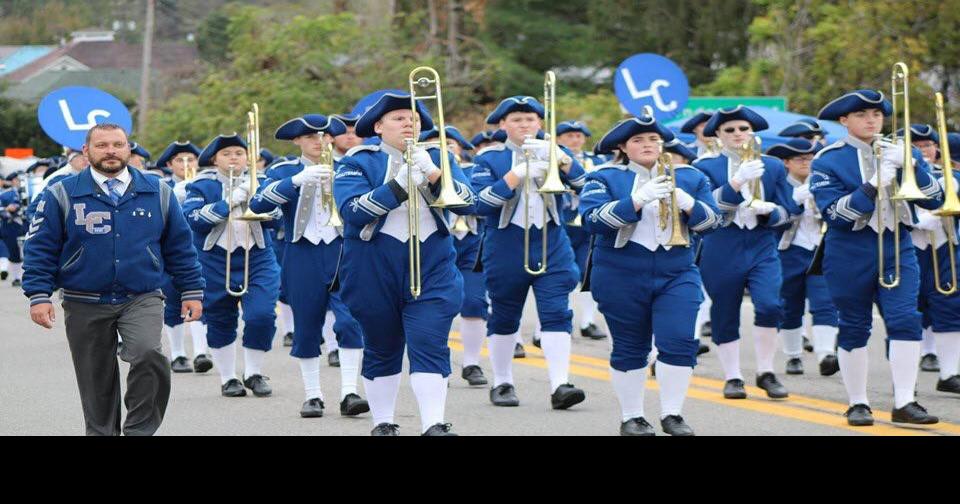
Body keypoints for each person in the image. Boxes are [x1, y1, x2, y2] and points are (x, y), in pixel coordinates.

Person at [22, 123, 204, 436]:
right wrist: (39, 295)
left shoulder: (157, 191)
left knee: (149, 354)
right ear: (86, 151)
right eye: (103, 145)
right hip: (84, 300)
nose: (111, 151)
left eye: (118, 144)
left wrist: (191, 289)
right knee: (96, 379)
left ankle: (139, 430)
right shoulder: (61, 194)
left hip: (141, 295)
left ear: (128, 148)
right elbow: (40, 247)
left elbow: (179, 245)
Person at [334, 91, 477, 436]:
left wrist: (435, 175)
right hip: (373, 266)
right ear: (379, 126)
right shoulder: (358, 161)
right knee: (382, 346)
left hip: (433, 264)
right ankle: (383, 422)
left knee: (430, 341)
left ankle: (433, 423)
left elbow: (468, 203)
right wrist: (397, 186)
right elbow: (351, 211)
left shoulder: (440, 157)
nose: (409, 124)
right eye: (399, 118)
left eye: (413, 119)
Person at [580, 114, 720, 435]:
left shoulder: (690, 177)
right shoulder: (603, 177)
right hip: (620, 272)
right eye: (638, 140)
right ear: (623, 147)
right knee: (631, 345)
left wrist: (686, 202)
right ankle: (632, 416)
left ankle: (673, 413)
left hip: (677, 270)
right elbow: (592, 220)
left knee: (681, 340)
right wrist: (637, 199)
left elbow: (712, 223)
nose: (648, 145)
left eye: (653, 140)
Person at [810, 89, 944, 425]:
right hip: (849, 250)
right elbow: (835, 215)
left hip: (897, 244)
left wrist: (913, 165)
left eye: (876, 115)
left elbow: (935, 199)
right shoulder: (828, 158)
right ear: (844, 121)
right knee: (855, 324)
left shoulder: (902, 150)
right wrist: (872, 184)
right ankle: (858, 402)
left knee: (905, 319)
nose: (871, 121)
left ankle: (905, 400)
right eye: (861, 115)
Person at [472, 95, 588, 410]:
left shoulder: (556, 152)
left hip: (552, 240)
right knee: (505, 313)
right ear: (502, 125)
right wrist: (518, 173)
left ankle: (560, 383)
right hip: (506, 241)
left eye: (530, 119)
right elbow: (478, 203)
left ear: (540, 123)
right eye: (517, 120)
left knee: (556, 312)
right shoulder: (489, 158)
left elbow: (584, 187)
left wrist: (561, 160)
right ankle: (503, 381)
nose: (525, 125)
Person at [251, 113, 370, 418]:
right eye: (309, 138)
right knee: (306, 325)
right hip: (302, 252)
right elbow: (257, 204)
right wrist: (294, 182)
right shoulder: (285, 171)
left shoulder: (350, 167)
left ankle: (349, 391)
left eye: (323, 136)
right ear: (297, 142)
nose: (318, 142)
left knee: (349, 321)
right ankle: (313, 394)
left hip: (344, 249)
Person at [693, 106, 802, 400]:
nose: (737, 134)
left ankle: (766, 371)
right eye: (729, 130)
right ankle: (733, 376)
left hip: (761, 243)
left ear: (752, 132)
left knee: (769, 304)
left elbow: (790, 211)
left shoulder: (774, 166)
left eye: (743, 129)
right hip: (721, 243)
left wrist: (771, 210)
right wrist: (736, 182)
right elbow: (705, 209)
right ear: (718, 135)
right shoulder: (706, 167)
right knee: (725, 309)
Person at [183, 134, 282, 398]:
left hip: (257, 256)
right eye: (227, 154)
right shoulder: (201, 185)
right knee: (218, 316)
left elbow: (279, 218)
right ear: (214, 159)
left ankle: (253, 372)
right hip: (214, 258)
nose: (234, 158)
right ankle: (228, 378)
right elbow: (194, 219)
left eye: (239, 153)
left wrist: (260, 202)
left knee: (261, 315)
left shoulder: (263, 182)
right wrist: (230, 202)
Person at [419, 124, 489, 386]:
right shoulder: (419, 169)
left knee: (473, 302)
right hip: (436, 244)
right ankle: (439, 361)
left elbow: (480, 204)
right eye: (436, 143)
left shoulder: (472, 171)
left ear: (459, 147)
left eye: (450, 143)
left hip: (470, 242)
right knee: (437, 306)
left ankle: (471, 363)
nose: (444, 148)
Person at [765, 139, 840, 376]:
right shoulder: (779, 184)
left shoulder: (823, 181)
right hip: (788, 249)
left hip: (820, 247)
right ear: (786, 162)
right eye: (800, 159)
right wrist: (794, 200)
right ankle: (793, 355)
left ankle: (826, 353)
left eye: (810, 158)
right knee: (790, 304)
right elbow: (773, 217)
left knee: (824, 301)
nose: (806, 163)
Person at [908, 127, 960, 394]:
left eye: (928, 145)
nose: (924, 150)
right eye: (916, 145)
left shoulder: (951, 176)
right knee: (906, 311)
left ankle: (950, 373)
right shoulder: (897, 178)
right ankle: (907, 378)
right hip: (912, 247)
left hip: (945, 247)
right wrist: (916, 222)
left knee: (950, 306)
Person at [155, 141, 213, 373]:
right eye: (180, 160)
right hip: (169, 250)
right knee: (171, 299)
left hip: (200, 248)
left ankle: (201, 351)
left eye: (191, 159)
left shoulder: (204, 185)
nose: (187, 164)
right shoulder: (161, 186)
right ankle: (178, 353)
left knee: (200, 297)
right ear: (169, 164)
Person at [556, 120, 607, 341]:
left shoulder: (598, 161)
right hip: (563, 221)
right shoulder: (553, 159)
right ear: (559, 140)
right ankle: (559, 317)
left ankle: (588, 322)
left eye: (578, 136)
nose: (575, 140)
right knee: (563, 274)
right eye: (569, 136)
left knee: (588, 274)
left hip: (586, 226)